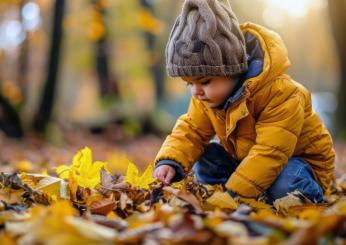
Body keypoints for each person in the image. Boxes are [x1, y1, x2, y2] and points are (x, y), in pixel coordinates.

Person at [153, 0, 335, 203]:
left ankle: (302, 196)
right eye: (189, 84)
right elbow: (191, 130)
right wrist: (169, 160)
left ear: (232, 69)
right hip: (248, 160)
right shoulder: (207, 97)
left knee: (287, 183)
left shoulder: (281, 94)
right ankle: (253, 192)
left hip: (298, 163)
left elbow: (270, 152)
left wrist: (232, 198)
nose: (196, 92)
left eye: (204, 81)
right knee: (205, 159)